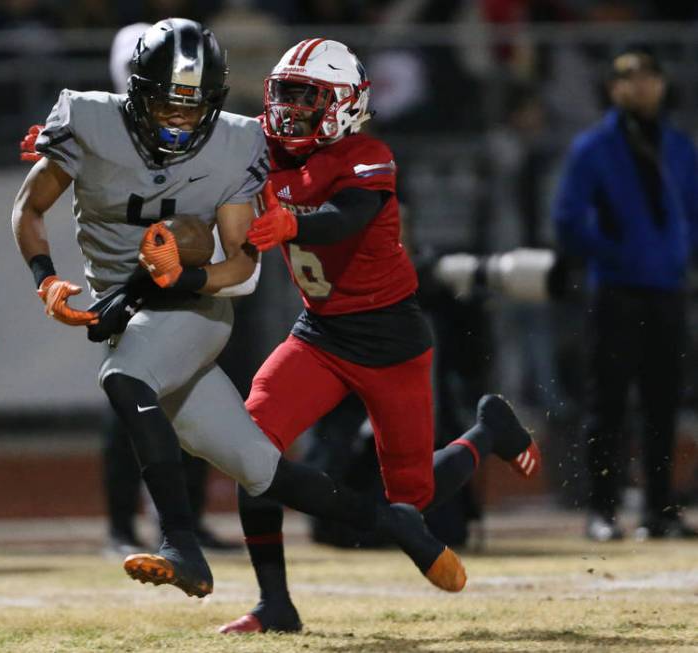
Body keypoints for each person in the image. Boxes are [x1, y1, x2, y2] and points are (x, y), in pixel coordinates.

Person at [14, 18, 465, 600]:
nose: (180, 119)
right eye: (165, 104)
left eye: (193, 107)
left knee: (125, 380)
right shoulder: (110, 124)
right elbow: (33, 203)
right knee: (259, 465)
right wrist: (52, 250)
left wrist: (190, 268)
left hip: (237, 311)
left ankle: (179, 541)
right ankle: (382, 536)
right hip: (283, 327)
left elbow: (260, 257)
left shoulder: (292, 147)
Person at [215, 39, 541, 634]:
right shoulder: (258, 145)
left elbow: (348, 217)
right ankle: (274, 603)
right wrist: (79, 149)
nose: (289, 108)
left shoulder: (368, 154)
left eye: (306, 96)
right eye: (283, 92)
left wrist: (292, 220)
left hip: (390, 340)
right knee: (250, 449)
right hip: (317, 335)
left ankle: (488, 430)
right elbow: (189, 144)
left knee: (412, 496)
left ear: (342, 103)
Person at [553, 47, 698, 542]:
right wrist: (613, 251)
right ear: (614, 88)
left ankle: (661, 509)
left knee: (663, 404)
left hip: (667, 291)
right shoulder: (593, 148)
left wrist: (679, 256)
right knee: (608, 405)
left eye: (650, 76)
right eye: (630, 78)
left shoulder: (678, 146)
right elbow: (568, 220)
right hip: (616, 290)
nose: (642, 86)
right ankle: (602, 510)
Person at [101, 21, 236, 556]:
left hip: (189, 274)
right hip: (133, 276)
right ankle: (119, 524)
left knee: (192, 397)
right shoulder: (110, 131)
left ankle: (185, 520)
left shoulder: (199, 127)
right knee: (127, 401)